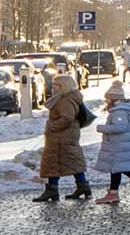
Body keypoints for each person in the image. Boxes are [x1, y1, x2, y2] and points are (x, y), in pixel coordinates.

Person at [34, 73, 92, 203]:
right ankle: (81, 187)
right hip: (63, 136)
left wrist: (52, 127)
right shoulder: (65, 97)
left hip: (62, 136)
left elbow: (67, 118)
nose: (53, 86)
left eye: (56, 84)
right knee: (67, 161)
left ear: (63, 86)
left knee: (56, 162)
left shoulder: (65, 100)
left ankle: (53, 190)